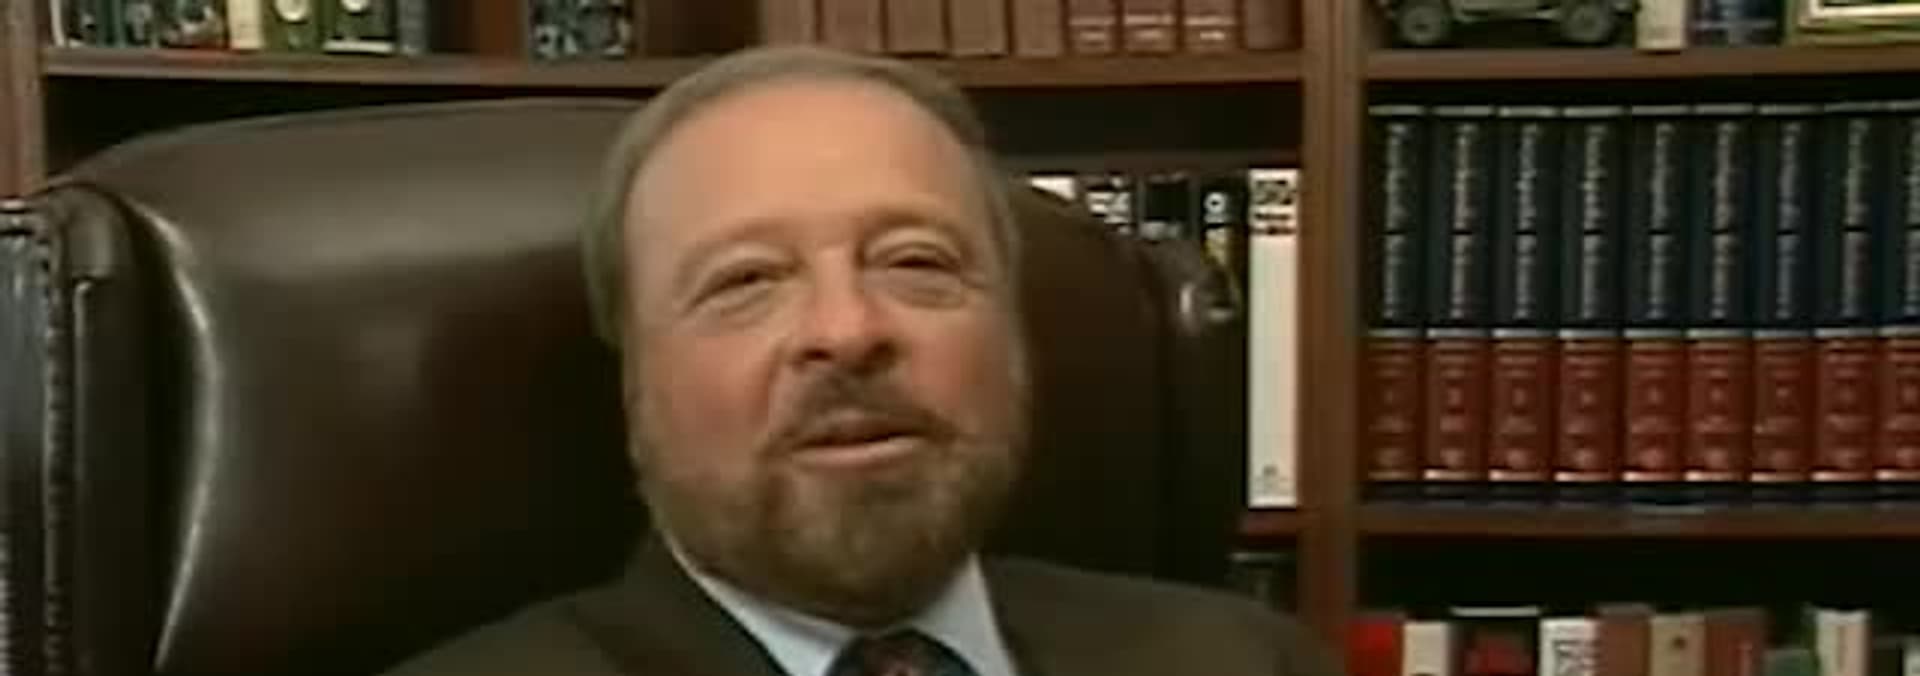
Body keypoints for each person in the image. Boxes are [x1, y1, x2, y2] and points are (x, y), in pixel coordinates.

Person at [381, 44, 1343, 676]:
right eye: (746, 280)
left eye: (916, 264)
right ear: (635, 384)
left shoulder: (1248, 663)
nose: (846, 330)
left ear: (1015, 341)